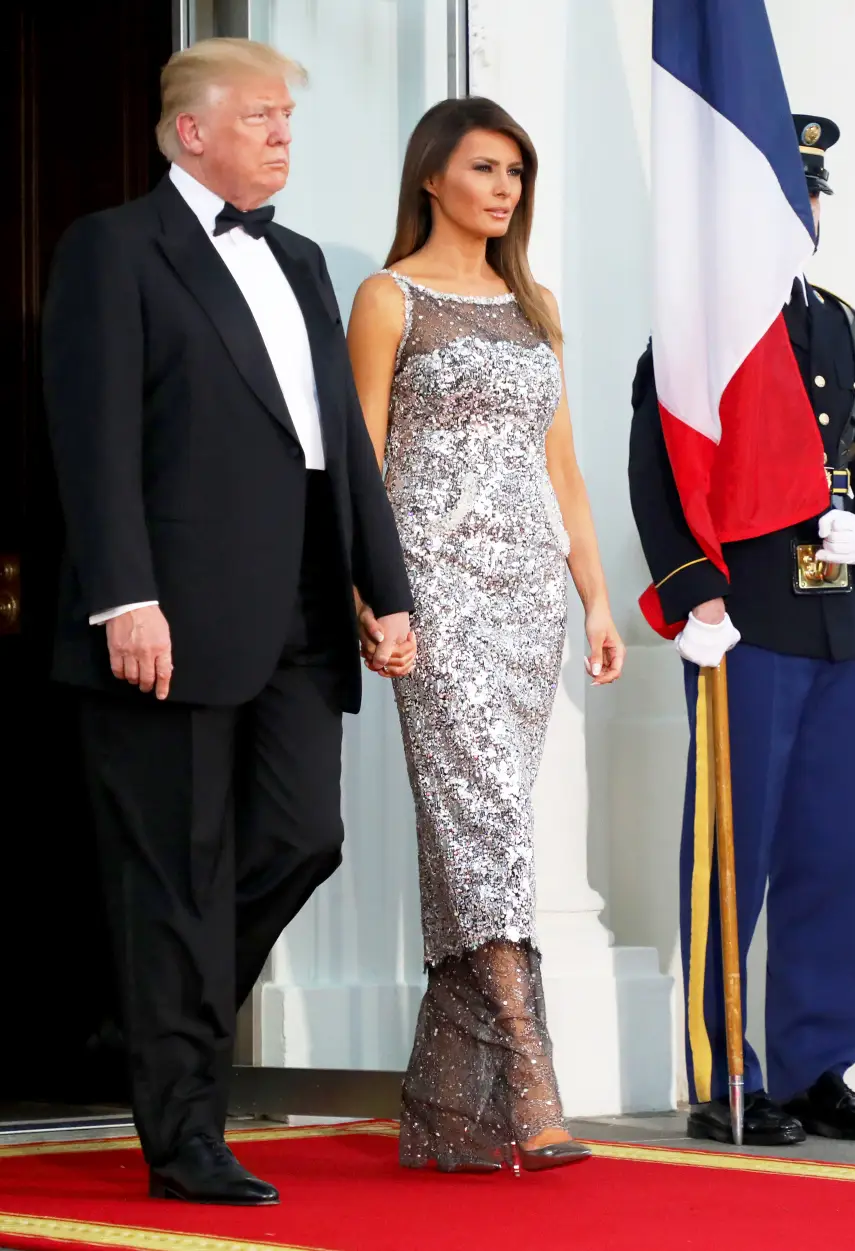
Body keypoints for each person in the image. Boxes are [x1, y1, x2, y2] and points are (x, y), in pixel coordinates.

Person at [42, 38, 413, 1203]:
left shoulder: (298, 259)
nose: (282, 135)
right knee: (174, 876)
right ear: (189, 131)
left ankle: (158, 1014)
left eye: (288, 119)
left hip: (299, 603)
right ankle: (185, 1137)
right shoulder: (114, 247)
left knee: (304, 837)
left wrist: (382, 586)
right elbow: (93, 437)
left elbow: (338, 443)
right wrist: (124, 595)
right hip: (168, 614)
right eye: (262, 116)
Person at [346, 96, 625, 1173]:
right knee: (477, 822)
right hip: (435, 590)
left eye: (515, 170)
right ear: (431, 177)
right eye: (482, 167)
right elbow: (361, 463)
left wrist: (595, 600)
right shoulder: (387, 297)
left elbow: (564, 473)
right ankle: (529, 1071)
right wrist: (373, 597)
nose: (503, 187)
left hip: (525, 599)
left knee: (493, 820)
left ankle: (447, 1115)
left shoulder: (534, 303)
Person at [629, 115, 855, 1146]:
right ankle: (726, 1075)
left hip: (833, 619)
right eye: (785, 199)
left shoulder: (843, 327)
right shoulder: (696, 337)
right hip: (741, 624)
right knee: (730, 854)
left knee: (829, 855)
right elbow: (658, 477)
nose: (805, 216)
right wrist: (694, 591)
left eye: (813, 199)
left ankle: (812, 1064)